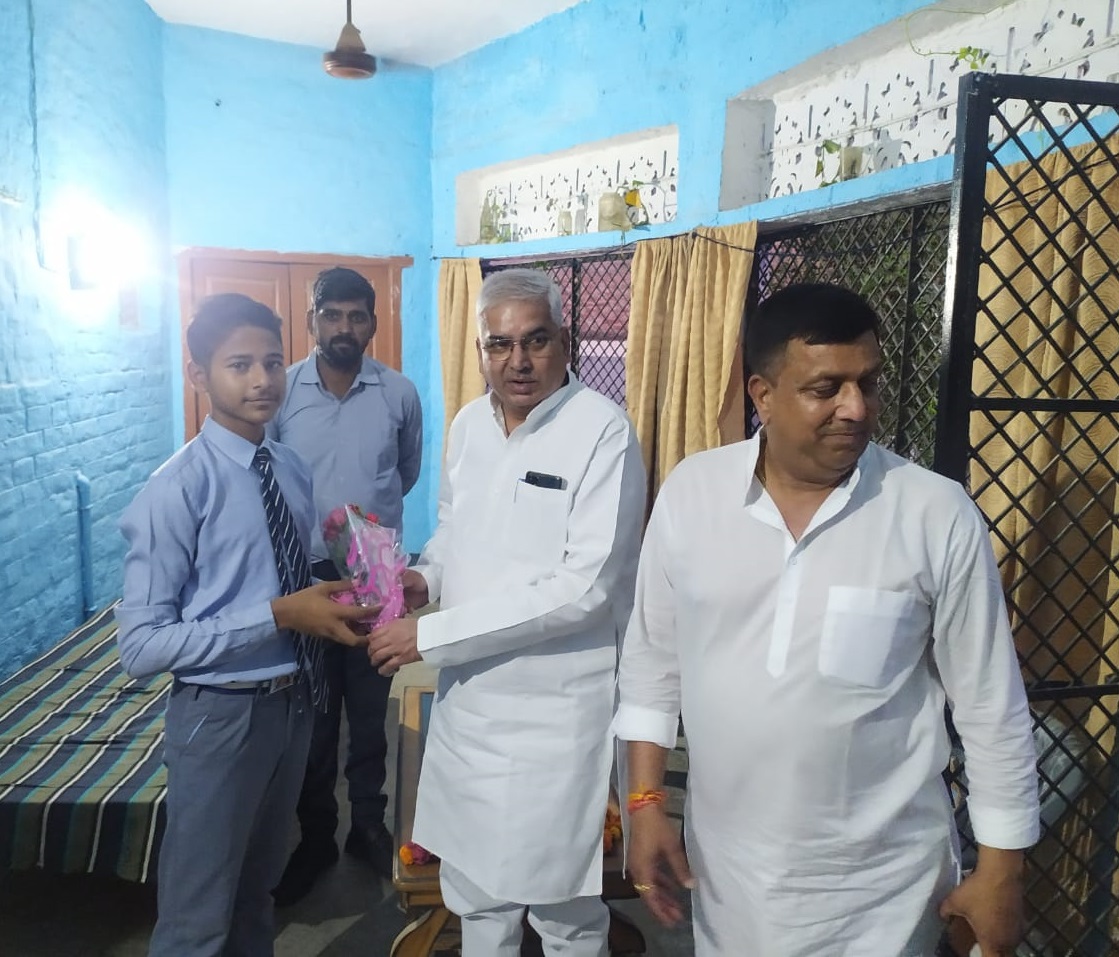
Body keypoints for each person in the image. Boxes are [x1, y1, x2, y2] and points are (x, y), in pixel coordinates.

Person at [614, 283, 1040, 957]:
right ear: (762, 395)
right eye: (825, 388)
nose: (855, 408)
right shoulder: (693, 495)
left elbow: (991, 707)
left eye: (867, 382)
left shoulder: (933, 514)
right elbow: (651, 666)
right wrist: (644, 807)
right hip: (730, 880)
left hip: (881, 893)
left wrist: (1002, 872)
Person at [367, 268, 646, 956]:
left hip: (553, 719)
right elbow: (453, 529)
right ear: (480, 350)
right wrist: (423, 578)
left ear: (565, 342)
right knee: (477, 897)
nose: (517, 361)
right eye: (499, 344)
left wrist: (431, 634)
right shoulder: (469, 425)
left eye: (535, 340)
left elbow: (585, 587)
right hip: (469, 709)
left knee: (563, 910)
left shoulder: (602, 432)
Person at [116, 293, 371, 957]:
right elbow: (140, 647)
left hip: (294, 707)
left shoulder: (288, 467)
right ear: (198, 375)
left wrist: (344, 593)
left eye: (272, 362)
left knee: (258, 895)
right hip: (219, 716)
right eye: (239, 365)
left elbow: (285, 575)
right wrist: (280, 615)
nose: (261, 380)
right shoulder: (175, 490)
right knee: (198, 918)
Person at [268, 266, 423, 903]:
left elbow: (405, 472)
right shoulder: (282, 393)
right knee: (314, 713)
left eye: (357, 316)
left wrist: (369, 546)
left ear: (372, 324)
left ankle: (366, 825)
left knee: (368, 708)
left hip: (373, 581)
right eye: (331, 315)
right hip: (304, 579)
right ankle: (316, 837)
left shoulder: (398, 395)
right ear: (312, 321)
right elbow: (265, 476)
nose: (344, 327)